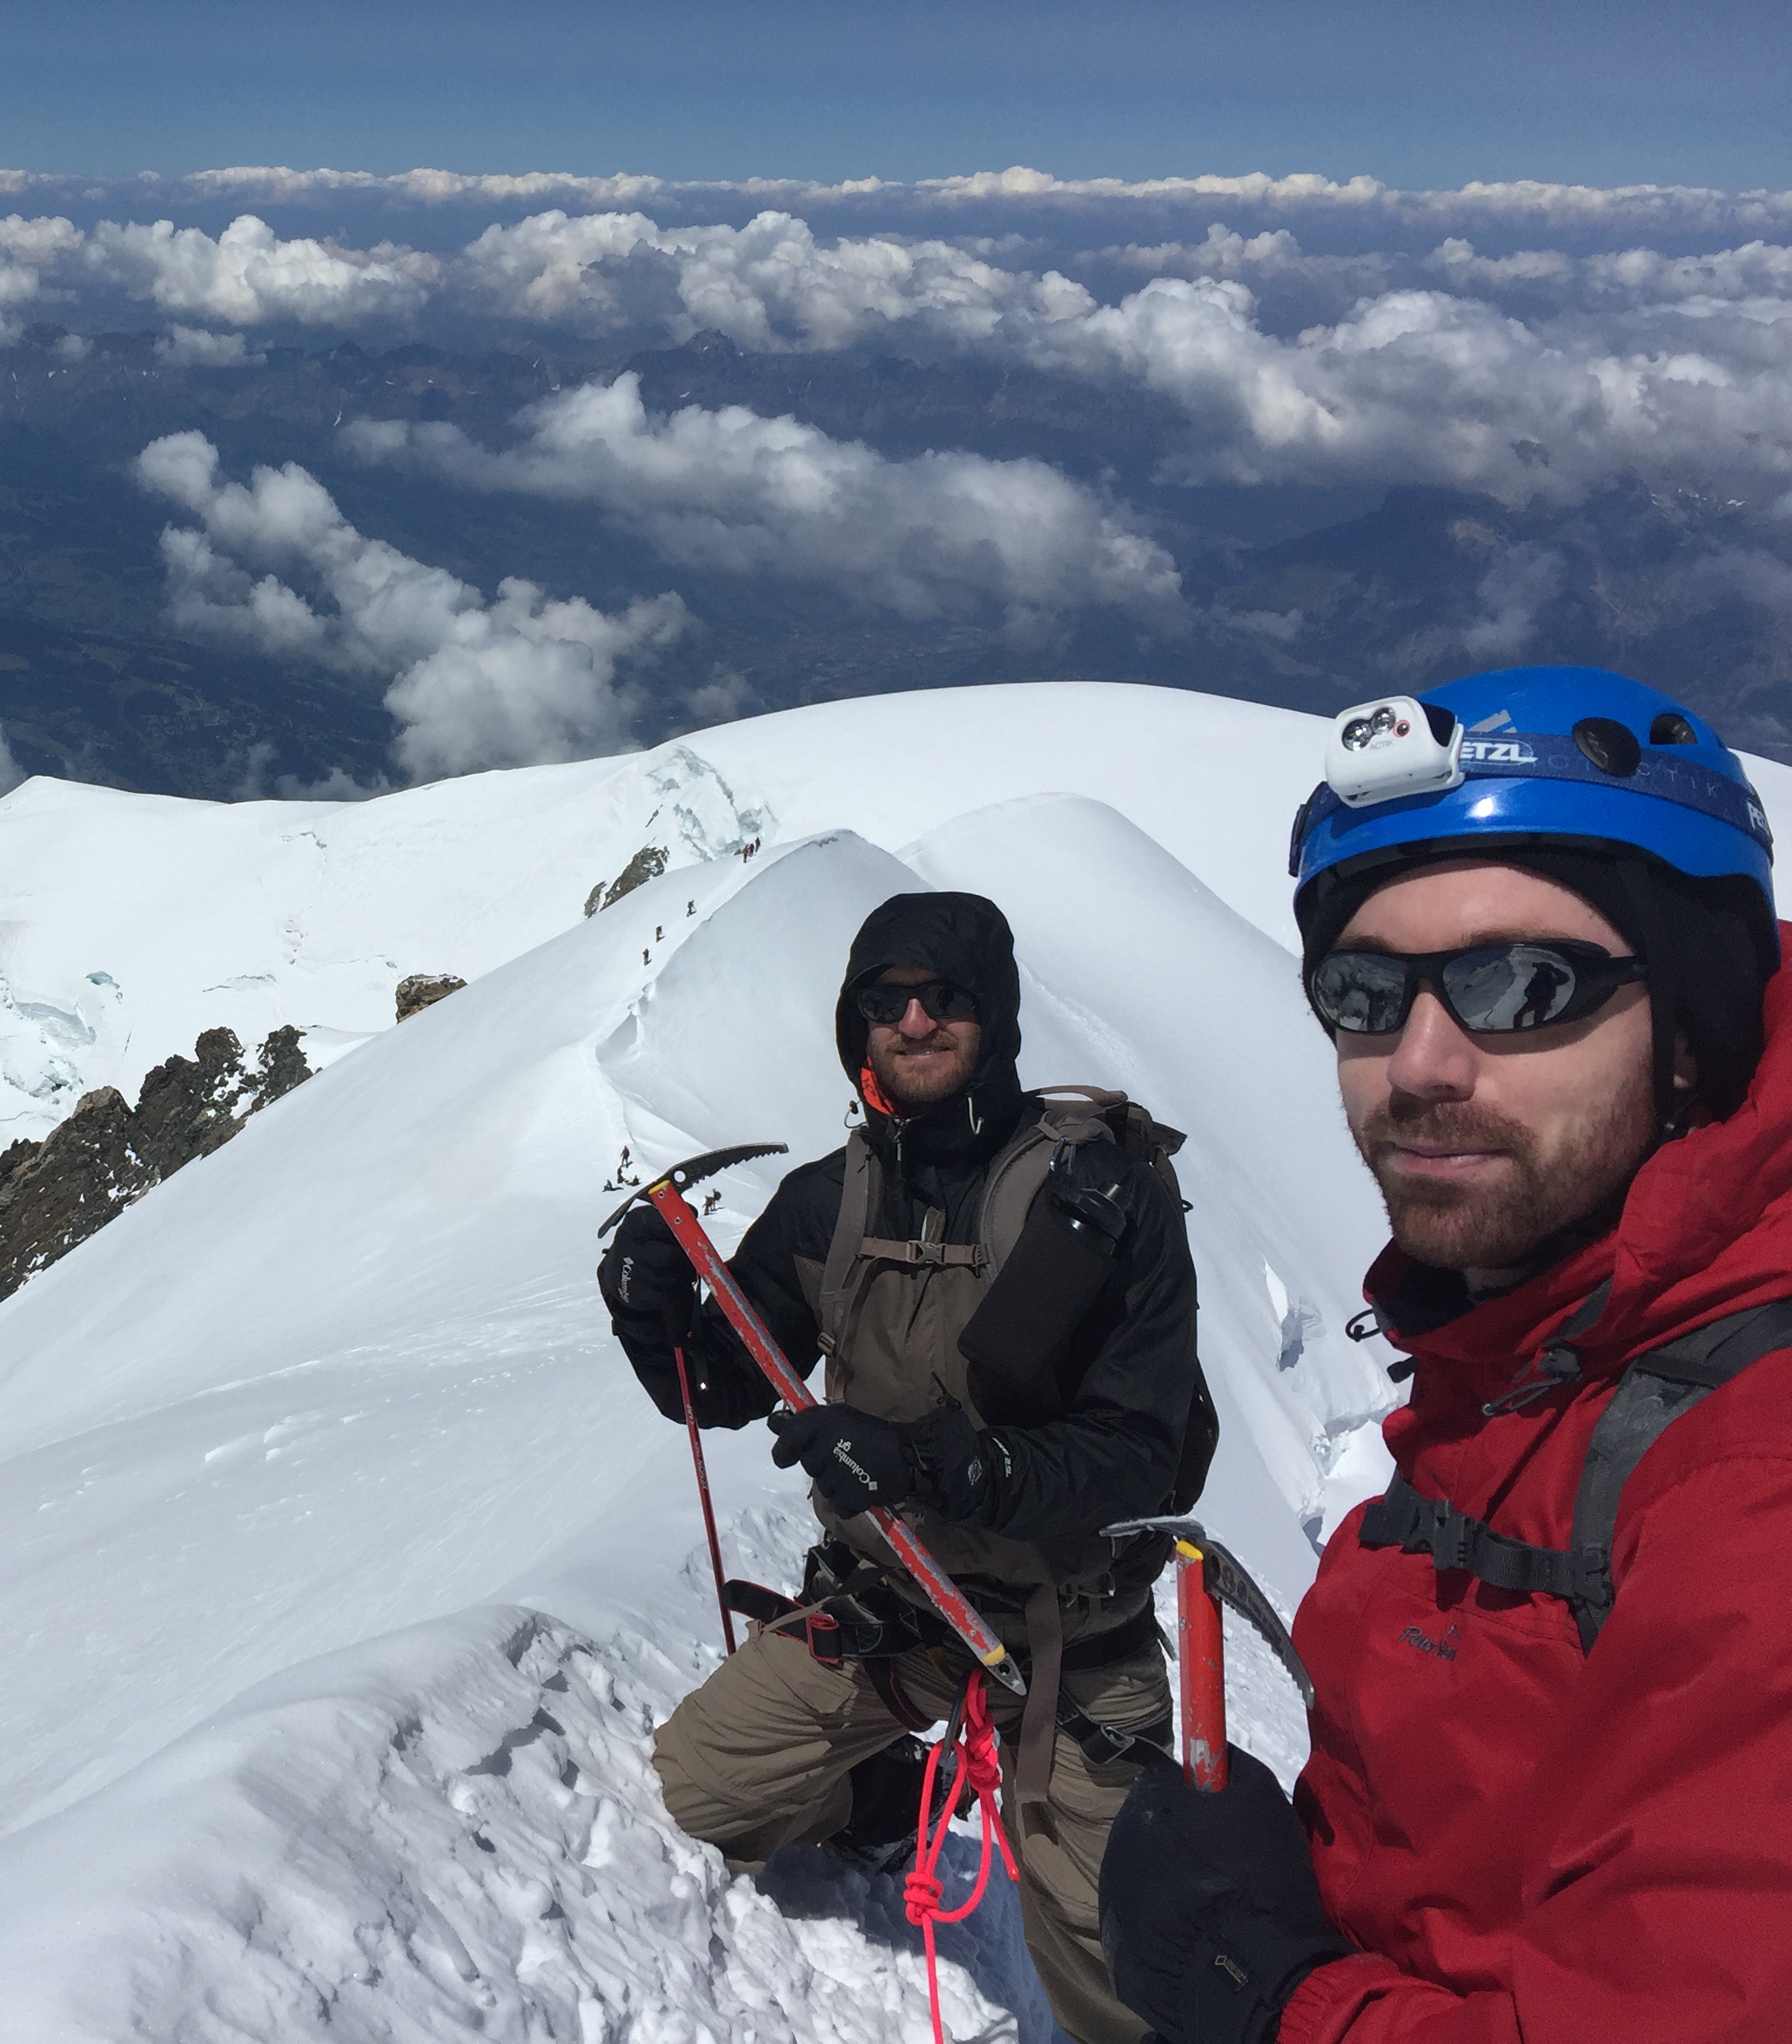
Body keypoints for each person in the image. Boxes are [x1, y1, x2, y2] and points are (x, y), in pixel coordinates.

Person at [1099, 664, 1792, 2044]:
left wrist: (1269, 1993)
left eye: (1521, 985)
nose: (1419, 1063)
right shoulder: (1542, 1351)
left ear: (1694, 1029)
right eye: (1362, 989)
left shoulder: (1749, 1474)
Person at [601, 889, 1205, 2044]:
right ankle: (888, 1796)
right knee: (700, 1792)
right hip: (889, 1612)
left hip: (1069, 1645)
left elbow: (1141, 1459)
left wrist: (928, 1463)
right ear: (856, 1023)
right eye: (888, 1001)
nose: (916, 1021)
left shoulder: (1106, 1199)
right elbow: (723, 1386)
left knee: (1131, 1970)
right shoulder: (828, 1201)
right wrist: (653, 1316)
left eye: (946, 998)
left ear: (996, 1015)